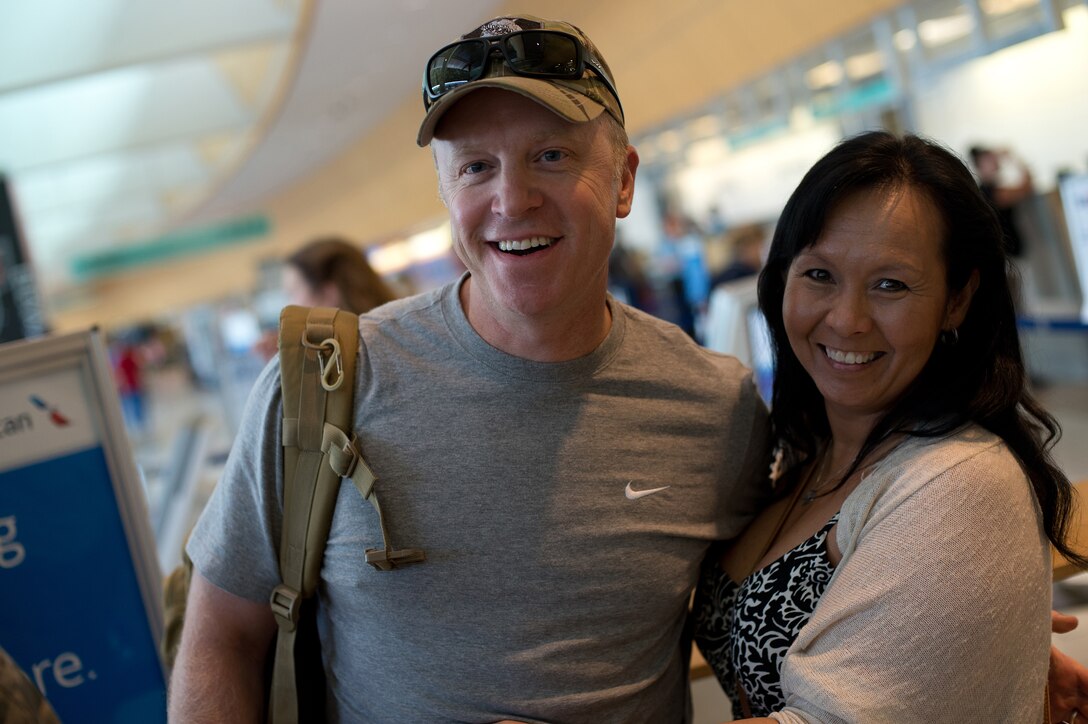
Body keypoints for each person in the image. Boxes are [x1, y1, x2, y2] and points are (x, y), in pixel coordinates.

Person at [169, 15, 771, 721]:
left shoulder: (713, 407)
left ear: (624, 180)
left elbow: (757, 642)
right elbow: (222, 640)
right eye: (476, 167)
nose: (512, 201)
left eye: (551, 155)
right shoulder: (327, 385)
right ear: (447, 194)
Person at [692, 130, 1083, 722]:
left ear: (957, 300)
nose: (847, 320)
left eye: (890, 285)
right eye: (819, 275)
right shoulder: (805, 451)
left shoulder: (959, 484)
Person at [253, 236, 398, 358]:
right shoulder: (399, 335)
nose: (288, 306)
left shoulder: (352, 366)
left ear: (329, 292)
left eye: (293, 292)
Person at [969, 145, 1034, 257]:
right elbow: (1027, 188)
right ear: (980, 165)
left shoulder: (989, 189)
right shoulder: (989, 193)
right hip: (1007, 253)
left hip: (1007, 251)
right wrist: (1014, 157)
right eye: (988, 159)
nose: (994, 161)